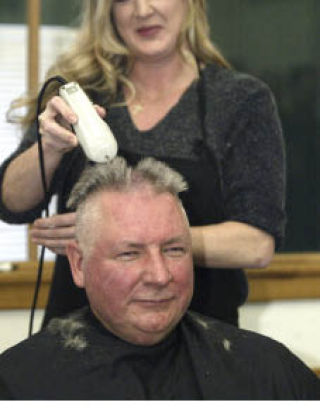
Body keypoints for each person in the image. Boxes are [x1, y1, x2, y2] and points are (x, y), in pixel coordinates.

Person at [0, 0, 286, 327]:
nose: (142, 10)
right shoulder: (82, 94)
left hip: (198, 339)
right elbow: (12, 203)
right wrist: (48, 148)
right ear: (109, 9)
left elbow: (255, 244)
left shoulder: (238, 100)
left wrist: (113, 240)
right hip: (78, 337)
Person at [0, 157, 317, 401]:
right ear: (79, 264)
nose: (160, 275)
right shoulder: (18, 384)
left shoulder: (268, 373)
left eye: (174, 249)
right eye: (130, 253)